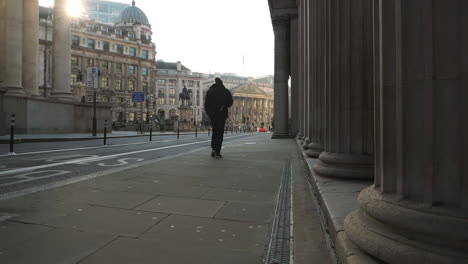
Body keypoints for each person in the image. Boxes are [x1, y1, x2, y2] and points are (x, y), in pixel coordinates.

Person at [204, 78, 233, 158]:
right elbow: (230, 103)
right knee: (220, 132)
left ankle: (213, 149)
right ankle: (217, 151)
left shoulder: (210, 91)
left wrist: (210, 113)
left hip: (213, 115)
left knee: (214, 131)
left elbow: (206, 104)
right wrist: (224, 106)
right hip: (222, 114)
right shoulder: (226, 91)